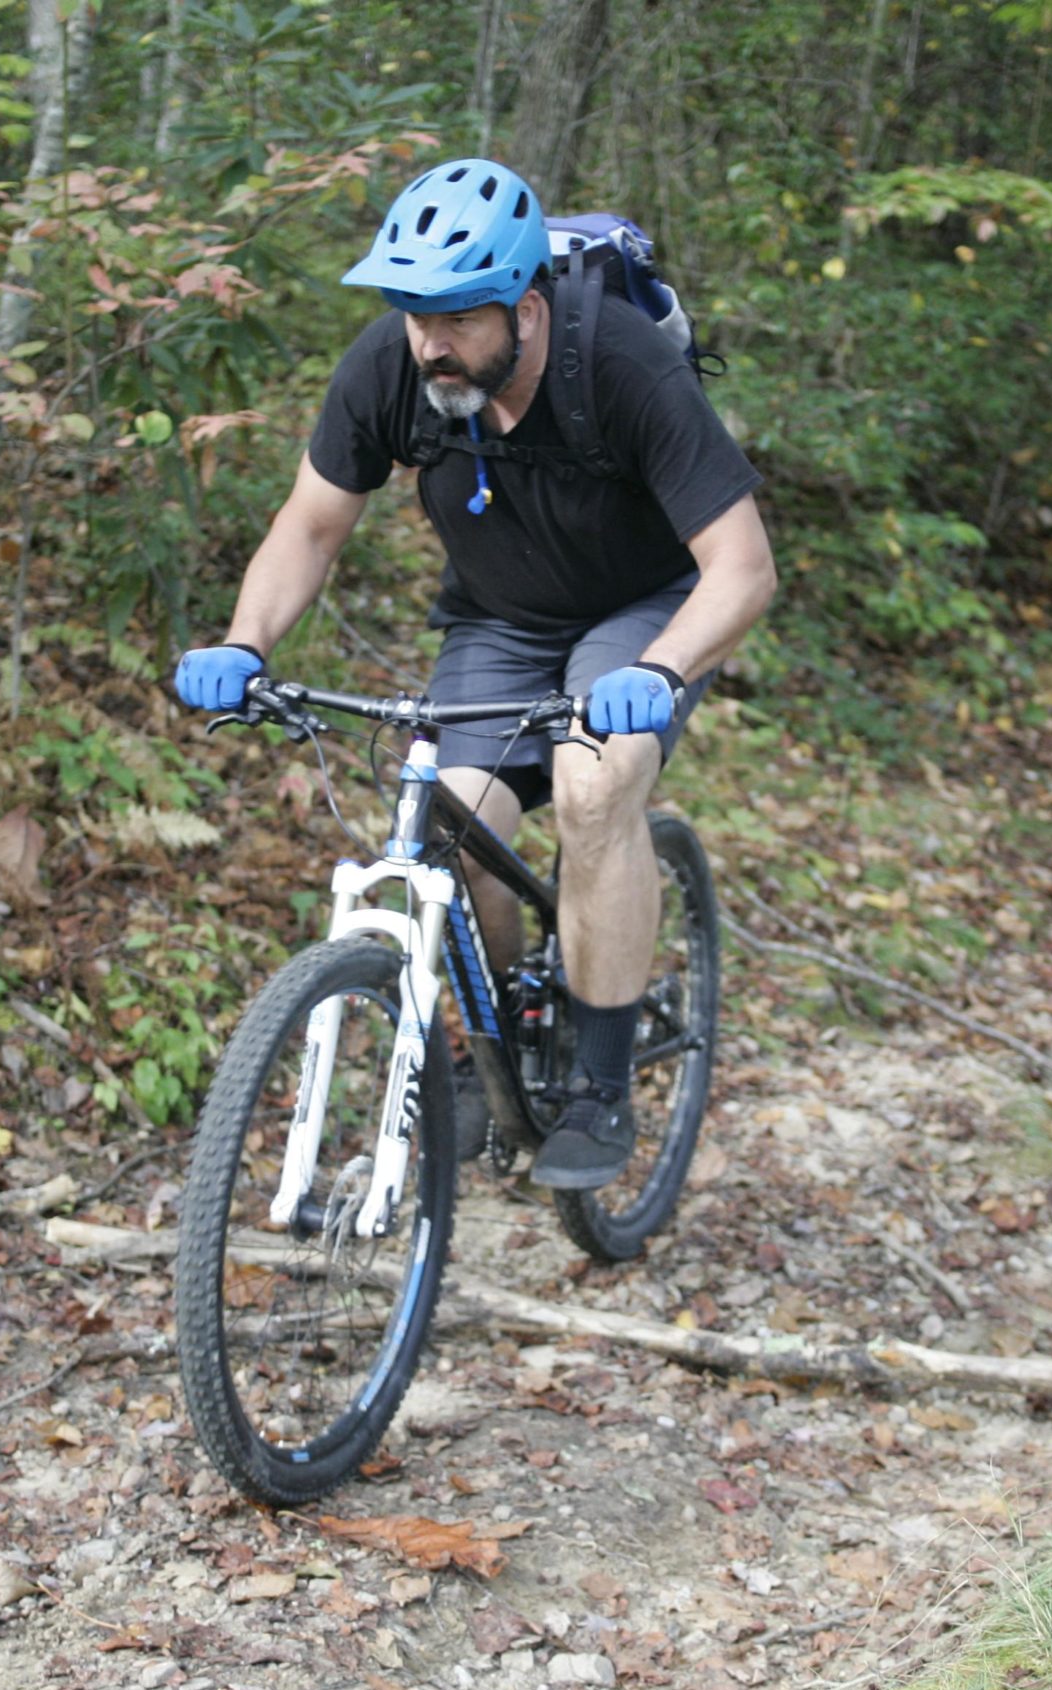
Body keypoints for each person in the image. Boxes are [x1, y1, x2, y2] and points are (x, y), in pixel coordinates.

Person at [172, 158, 777, 1191]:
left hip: (643, 613)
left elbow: (744, 568)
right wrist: (244, 641)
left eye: (456, 317)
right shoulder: (393, 371)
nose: (429, 342)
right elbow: (311, 527)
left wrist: (663, 670)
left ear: (527, 310)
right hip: (501, 620)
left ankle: (596, 1082)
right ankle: (496, 1034)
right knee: (447, 820)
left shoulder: (620, 365)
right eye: (413, 313)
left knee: (595, 784)